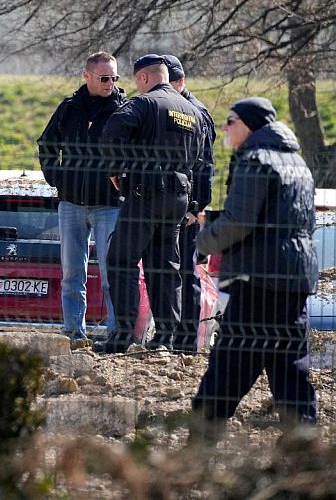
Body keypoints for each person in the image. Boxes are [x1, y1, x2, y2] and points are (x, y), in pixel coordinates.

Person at [191, 98, 317, 436]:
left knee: (230, 364)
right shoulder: (297, 164)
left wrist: (203, 240)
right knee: (289, 366)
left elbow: (240, 222)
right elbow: (283, 220)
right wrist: (219, 222)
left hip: (257, 278)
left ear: (248, 124)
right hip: (293, 278)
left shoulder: (254, 160)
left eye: (230, 121)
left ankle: (200, 442)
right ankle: (303, 444)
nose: (226, 128)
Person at [96, 54, 205, 353]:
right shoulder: (191, 110)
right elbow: (198, 156)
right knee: (166, 267)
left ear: (143, 78)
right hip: (178, 198)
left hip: (145, 193)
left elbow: (112, 131)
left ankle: (122, 335)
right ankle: (165, 338)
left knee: (122, 260)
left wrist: (116, 169)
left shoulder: (143, 103)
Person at [38, 51, 127, 344]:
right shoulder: (69, 108)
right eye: (104, 78)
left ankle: (116, 334)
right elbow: (47, 144)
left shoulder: (124, 109)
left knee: (111, 273)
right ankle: (74, 333)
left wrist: (123, 183)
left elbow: (137, 152)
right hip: (71, 203)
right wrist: (57, 177)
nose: (110, 83)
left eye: (114, 77)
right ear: (86, 76)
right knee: (72, 275)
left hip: (109, 206)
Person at [162, 55, 216, 352]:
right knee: (169, 272)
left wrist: (197, 207)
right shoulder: (169, 107)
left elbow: (204, 165)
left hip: (187, 207)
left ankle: (185, 344)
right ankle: (171, 338)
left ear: (180, 82)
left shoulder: (195, 112)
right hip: (170, 203)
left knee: (186, 272)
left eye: (167, 83)